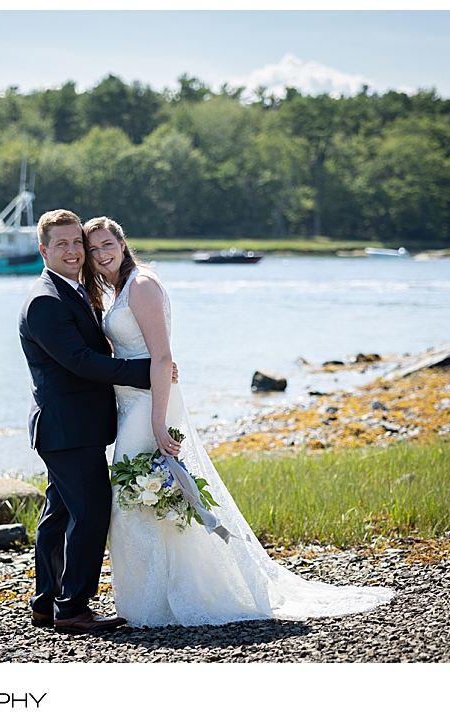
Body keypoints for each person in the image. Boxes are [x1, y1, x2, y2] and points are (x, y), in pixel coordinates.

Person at [82, 216, 395, 627]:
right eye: (94, 249)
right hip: (133, 401)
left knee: (138, 494)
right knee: (152, 494)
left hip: (149, 405)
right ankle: (159, 596)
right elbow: (133, 349)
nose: (102, 254)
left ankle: (164, 601)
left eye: (108, 244)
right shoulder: (121, 288)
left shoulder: (140, 284)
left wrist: (159, 423)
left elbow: (162, 357)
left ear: (123, 244)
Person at [17, 209, 180, 634]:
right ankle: (72, 608)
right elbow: (81, 363)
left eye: (78, 243)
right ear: (43, 250)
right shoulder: (45, 301)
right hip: (67, 429)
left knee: (59, 515)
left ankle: (46, 602)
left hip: (74, 428)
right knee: (90, 513)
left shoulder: (72, 290)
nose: (74, 252)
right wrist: (146, 370)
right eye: (63, 244)